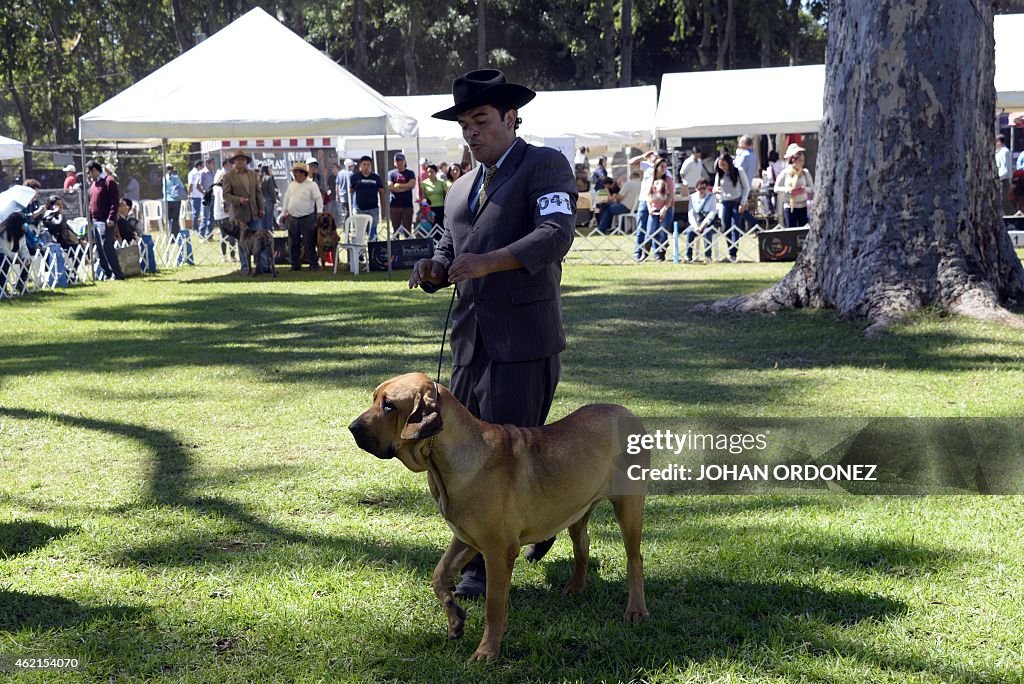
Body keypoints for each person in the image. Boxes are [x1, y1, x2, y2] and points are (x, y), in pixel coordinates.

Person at [409, 69, 576, 600]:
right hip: (469, 344)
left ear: (510, 118)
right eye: (464, 124)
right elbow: (448, 242)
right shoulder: (460, 186)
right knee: (465, 452)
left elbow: (555, 235)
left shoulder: (545, 165)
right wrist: (435, 267)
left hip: (524, 341)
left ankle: (486, 566)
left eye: (480, 121)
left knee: (506, 456)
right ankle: (524, 528)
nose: (471, 133)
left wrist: (489, 264)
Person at [220, 150, 266, 273]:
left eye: (243, 159)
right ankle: (245, 267)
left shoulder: (252, 174)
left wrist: (261, 207)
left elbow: (258, 192)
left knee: (259, 240)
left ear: (246, 161)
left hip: (254, 212)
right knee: (242, 243)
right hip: (239, 215)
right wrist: (238, 200)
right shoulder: (228, 176)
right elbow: (226, 195)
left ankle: (262, 267)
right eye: (238, 159)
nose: (241, 162)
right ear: (234, 162)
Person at [281, 161, 323, 271]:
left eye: (296, 172)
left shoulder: (312, 185)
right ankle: (295, 265)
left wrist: (319, 211)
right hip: (292, 217)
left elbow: (318, 198)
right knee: (293, 242)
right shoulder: (291, 185)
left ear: (303, 173)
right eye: (294, 172)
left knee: (309, 242)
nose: (294, 174)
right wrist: (283, 212)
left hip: (307, 216)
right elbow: (286, 199)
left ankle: (313, 264)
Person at [86, 159, 125, 280]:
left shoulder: (109, 181)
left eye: (89, 173)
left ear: (94, 170)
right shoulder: (93, 184)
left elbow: (114, 202)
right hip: (95, 220)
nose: (88, 175)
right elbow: (91, 202)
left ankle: (117, 273)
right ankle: (107, 273)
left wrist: (111, 217)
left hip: (106, 220)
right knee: (99, 248)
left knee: (106, 245)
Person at [713, 153, 750, 262]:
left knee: (735, 228)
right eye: (720, 165)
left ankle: (733, 253)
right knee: (725, 228)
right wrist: (716, 191)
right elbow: (715, 187)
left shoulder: (739, 171)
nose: (722, 167)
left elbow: (746, 187)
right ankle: (730, 249)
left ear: (729, 163)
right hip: (724, 202)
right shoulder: (719, 174)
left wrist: (743, 202)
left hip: (736, 202)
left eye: (724, 165)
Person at [774, 143, 814, 228]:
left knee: (803, 231)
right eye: (800, 160)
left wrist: (804, 189)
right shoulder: (785, 173)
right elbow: (776, 188)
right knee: (791, 231)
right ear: (793, 160)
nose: (802, 163)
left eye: (803, 160)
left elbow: (812, 188)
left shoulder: (805, 173)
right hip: (790, 206)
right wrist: (787, 189)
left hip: (803, 206)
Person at [644, 158, 676, 262]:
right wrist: (650, 208)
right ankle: (644, 254)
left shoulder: (668, 180)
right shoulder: (651, 179)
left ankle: (660, 255)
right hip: (654, 209)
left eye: (665, 167)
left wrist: (665, 208)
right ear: (656, 167)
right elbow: (647, 195)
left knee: (662, 232)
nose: (664, 169)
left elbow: (671, 195)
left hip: (666, 209)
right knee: (650, 231)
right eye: (662, 166)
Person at [628, 149, 657, 260]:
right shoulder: (647, 165)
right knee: (641, 227)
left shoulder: (661, 168)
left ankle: (656, 253)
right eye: (652, 155)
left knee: (654, 228)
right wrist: (643, 155)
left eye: (655, 155)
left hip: (656, 201)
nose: (653, 157)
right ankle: (638, 253)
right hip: (644, 200)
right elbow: (631, 163)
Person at [349, 155, 386, 241]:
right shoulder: (355, 177)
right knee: (359, 233)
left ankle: (373, 252)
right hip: (359, 209)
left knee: (372, 233)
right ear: (360, 166)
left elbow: (382, 192)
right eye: (364, 164)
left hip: (373, 209)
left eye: (368, 164)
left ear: (371, 166)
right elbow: (350, 190)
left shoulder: (376, 177)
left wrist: (383, 209)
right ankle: (359, 253)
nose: (366, 167)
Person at [686, 178, 719, 262]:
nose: (702, 190)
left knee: (707, 232)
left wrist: (703, 225)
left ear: (707, 188)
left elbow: (712, 212)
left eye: (704, 188)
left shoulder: (711, 197)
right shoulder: (692, 197)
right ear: (696, 188)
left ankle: (708, 256)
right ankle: (688, 256)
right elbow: (691, 213)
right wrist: (695, 226)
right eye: (700, 188)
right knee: (689, 232)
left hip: (708, 223)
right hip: (696, 223)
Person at [0, 213, 30, 297]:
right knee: (3, 260)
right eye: (22, 223)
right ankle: (3, 286)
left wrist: (25, 257)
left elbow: (24, 248)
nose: (24, 225)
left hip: (14, 256)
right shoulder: (3, 233)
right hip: (3, 255)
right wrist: (16, 258)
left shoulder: (21, 233)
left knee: (27, 261)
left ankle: (20, 283)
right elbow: (3, 250)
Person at [388, 153, 417, 235]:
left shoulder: (410, 173)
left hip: (407, 205)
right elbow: (390, 187)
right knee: (395, 229)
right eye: (397, 160)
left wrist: (399, 186)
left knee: (407, 230)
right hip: (394, 205)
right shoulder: (391, 173)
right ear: (394, 162)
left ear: (405, 161)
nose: (399, 162)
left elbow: (412, 185)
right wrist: (405, 188)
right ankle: (395, 247)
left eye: (401, 160)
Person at [419, 164, 449, 229]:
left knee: (441, 225)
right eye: (428, 172)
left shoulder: (442, 183)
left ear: (436, 172)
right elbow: (423, 198)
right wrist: (424, 209)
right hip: (430, 209)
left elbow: (446, 195)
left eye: (431, 172)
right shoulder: (423, 184)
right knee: (432, 227)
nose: (429, 174)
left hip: (441, 207)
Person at [163, 164, 186, 236]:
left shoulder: (164, 178)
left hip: (167, 200)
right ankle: (175, 235)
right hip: (176, 201)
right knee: (175, 219)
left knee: (169, 219)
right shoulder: (176, 177)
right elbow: (181, 187)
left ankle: (170, 234)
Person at [187, 160, 204, 235]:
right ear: (199, 166)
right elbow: (190, 185)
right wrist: (189, 194)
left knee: (200, 212)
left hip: (200, 195)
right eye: (202, 166)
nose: (203, 167)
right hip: (195, 195)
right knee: (196, 212)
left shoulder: (199, 173)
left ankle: (198, 227)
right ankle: (195, 228)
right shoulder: (193, 173)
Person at [996, 134, 1012, 214]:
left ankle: (1012, 217)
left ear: (999, 142)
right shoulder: (998, 152)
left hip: (1003, 179)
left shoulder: (1004, 151)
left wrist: (1000, 177)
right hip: (999, 179)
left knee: (1004, 200)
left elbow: (1005, 167)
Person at [259, 165, 278, 232]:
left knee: (263, 218)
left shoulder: (259, 178)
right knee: (269, 218)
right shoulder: (268, 178)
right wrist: (274, 200)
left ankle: (263, 231)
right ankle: (269, 231)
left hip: (262, 200)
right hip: (269, 200)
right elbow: (271, 191)